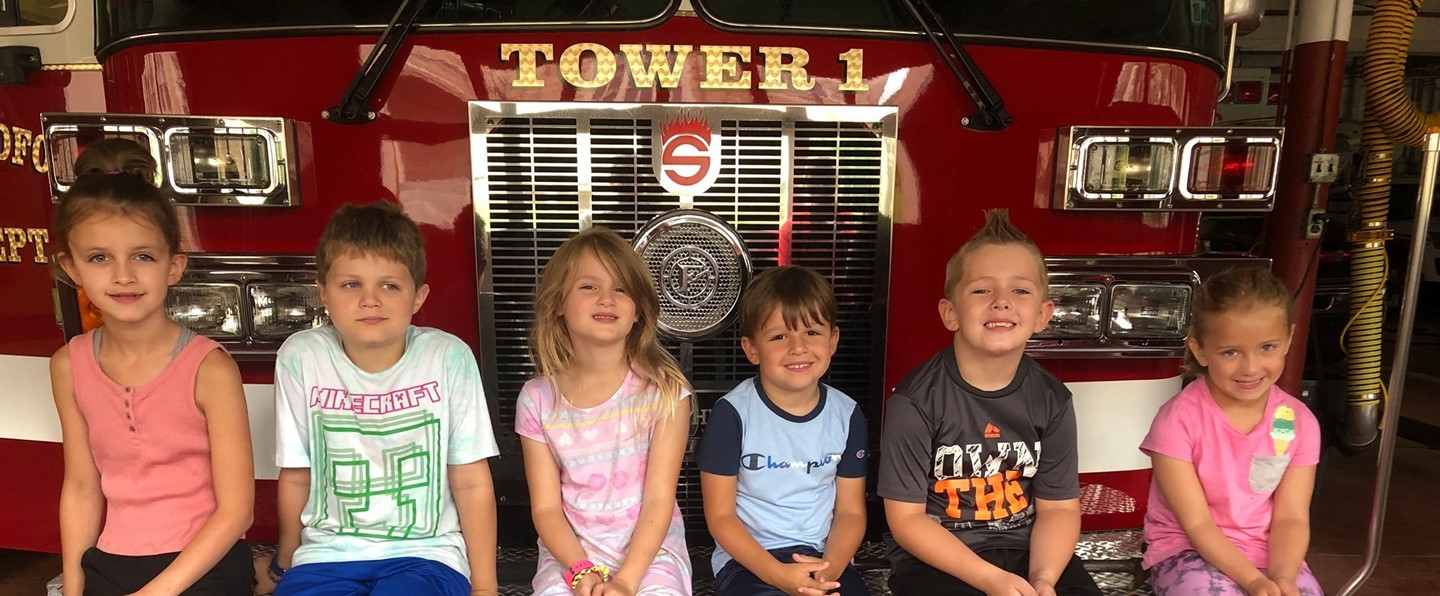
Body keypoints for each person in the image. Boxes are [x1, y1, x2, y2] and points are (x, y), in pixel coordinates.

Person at [269, 201, 500, 596]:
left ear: (418, 296)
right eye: (351, 284)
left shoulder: (448, 357)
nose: (370, 300)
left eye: (389, 285)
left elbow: (471, 481)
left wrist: (485, 587)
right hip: (326, 556)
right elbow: (295, 473)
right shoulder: (301, 357)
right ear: (323, 293)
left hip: (428, 555)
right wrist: (284, 565)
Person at [50, 160, 255, 594]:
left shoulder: (210, 368)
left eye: (143, 256)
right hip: (112, 558)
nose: (123, 275)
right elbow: (83, 487)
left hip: (205, 562)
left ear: (174, 266)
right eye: (99, 257)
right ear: (71, 268)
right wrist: (73, 586)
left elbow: (237, 511)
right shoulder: (69, 364)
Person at [878, 209, 1101, 596]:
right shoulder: (915, 401)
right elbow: (907, 521)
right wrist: (990, 580)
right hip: (939, 556)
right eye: (982, 290)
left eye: (1020, 290)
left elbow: (1060, 509)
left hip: (1029, 550)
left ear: (1043, 314)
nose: (1001, 302)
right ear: (950, 313)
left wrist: (1044, 579)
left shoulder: (1052, 399)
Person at [517, 226, 692, 596]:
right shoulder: (537, 399)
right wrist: (580, 571)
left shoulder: (665, 393)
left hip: (650, 552)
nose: (607, 299)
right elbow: (547, 509)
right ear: (558, 304)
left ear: (639, 310)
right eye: (588, 286)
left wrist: (627, 581)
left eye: (621, 288)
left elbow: (660, 499)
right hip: (570, 553)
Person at [1141, 267, 1323, 596]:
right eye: (1231, 352)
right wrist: (1252, 581)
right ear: (1199, 351)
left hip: (1271, 555)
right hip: (1187, 551)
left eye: (1267, 347)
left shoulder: (1300, 422)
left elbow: (1291, 518)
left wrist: (1282, 579)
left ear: (1289, 340)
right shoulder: (1178, 420)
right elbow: (1196, 523)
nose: (1251, 368)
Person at [698, 265, 869, 596]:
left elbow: (850, 512)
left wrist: (828, 570)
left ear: (833, 339)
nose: (798, 347)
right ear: (752, 349)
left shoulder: (847, 414)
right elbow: (720, 516)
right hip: (749, 562)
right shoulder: (732, 414)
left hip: (825, 558)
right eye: (779, 336)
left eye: (812, 332)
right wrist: (778, 576)